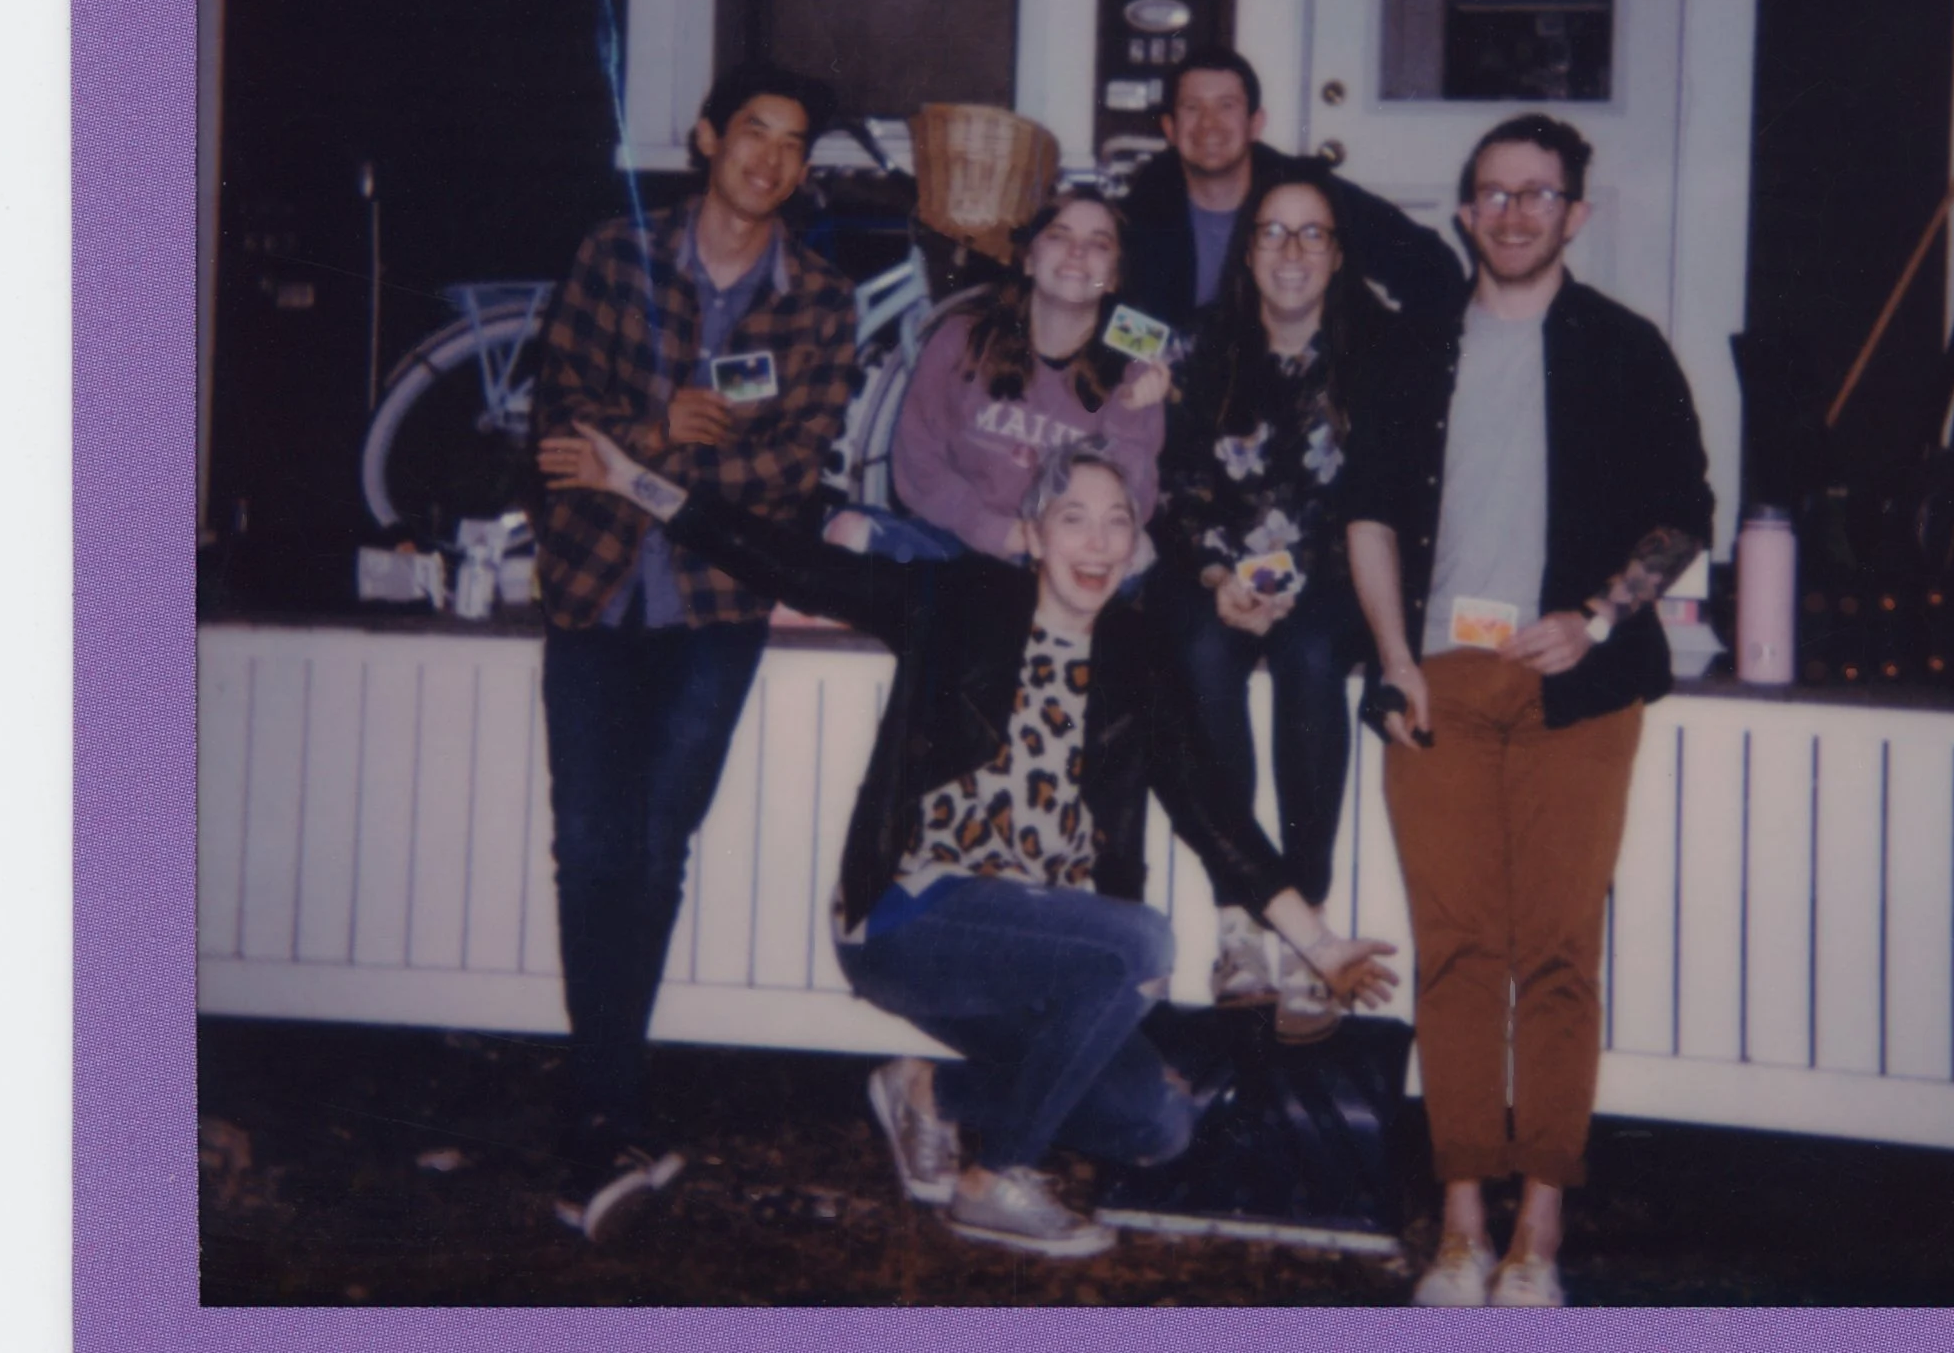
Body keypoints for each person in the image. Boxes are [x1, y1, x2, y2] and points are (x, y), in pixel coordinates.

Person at [538, 430, 1397, 1261]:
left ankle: (927, 1091)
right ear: (1030, 535)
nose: (1096, 542)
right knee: (1140, 942)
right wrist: (635, 483)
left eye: (1117, 522)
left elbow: (1214, 815)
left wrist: (1316, 943)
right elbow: (792, 562)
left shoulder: (1140, 657)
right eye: (1072, 518)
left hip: (1041, 959)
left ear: (1136, 545)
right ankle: (998, 1177)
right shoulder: (953, 600)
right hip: (913, 920)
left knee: (1156, 1123)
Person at [1346, 113, 1713, 1308]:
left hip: (1578, 686)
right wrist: (1394, 655)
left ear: (1574, 214)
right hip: (1436, 684)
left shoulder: (1624, 347)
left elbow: (1683, 511)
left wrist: (1600, 616)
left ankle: (1537, 1234)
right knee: (1456, 952)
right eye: (1491, 194)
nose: (1511, 212)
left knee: (1556, 953)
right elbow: (1363, 514)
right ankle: (1458, 1221)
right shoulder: (1407, 354)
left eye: (1536, 194)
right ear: (1464, 213)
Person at [529, 61, 857, 1239]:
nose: (770, 158)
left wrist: (627, 468)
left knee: (653, 849)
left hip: (716, 608)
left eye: (794, 144)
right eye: (753, 131)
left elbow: (793, 468)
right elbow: (552, 413)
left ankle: (599, 1111)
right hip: (593, 593)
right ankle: (603, 1106)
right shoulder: (613, 257)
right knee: (588, 846)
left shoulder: (818, 299)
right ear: (707, 135)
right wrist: (653, 428)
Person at [1151, 160, 1393, 1042]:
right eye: (1271, 232)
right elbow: (1172, 484)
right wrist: (1222, 577)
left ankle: (1308, 921)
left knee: (1312, 658)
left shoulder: (1379, 351)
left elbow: (1384, 496)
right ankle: (1240, 924)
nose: (1290, 251)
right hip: (1213, 570)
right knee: (1202, 656)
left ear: (1336, 255)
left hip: (1331, 579)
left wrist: (1289, 591)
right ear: (1246, 250)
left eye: (1311, 234)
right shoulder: (1194, 343)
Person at [831, 186, 1168, 561]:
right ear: (1028, 259)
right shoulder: (960, 339)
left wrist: (1130, 413)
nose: (1077, 252)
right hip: (954, 541)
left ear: (1115, 277)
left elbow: (1130, 507)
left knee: (1140, 554)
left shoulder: (1133, 373)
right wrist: (995, 532)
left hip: (1058, 562)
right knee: (847, 530)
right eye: (1060, 236)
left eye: (1099, 244)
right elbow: (917, 464)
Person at [1115, 46, 1463, 340]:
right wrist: (1163, 372)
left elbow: (1433, 267)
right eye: (1192, 108)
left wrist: (1395, 361)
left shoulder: (1310, 196)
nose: (1209, 124)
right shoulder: (1143, 210)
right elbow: (1121, 324)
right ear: (1170, 128)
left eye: (1226, 106)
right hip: (1187, 395)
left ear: (1255, 123)